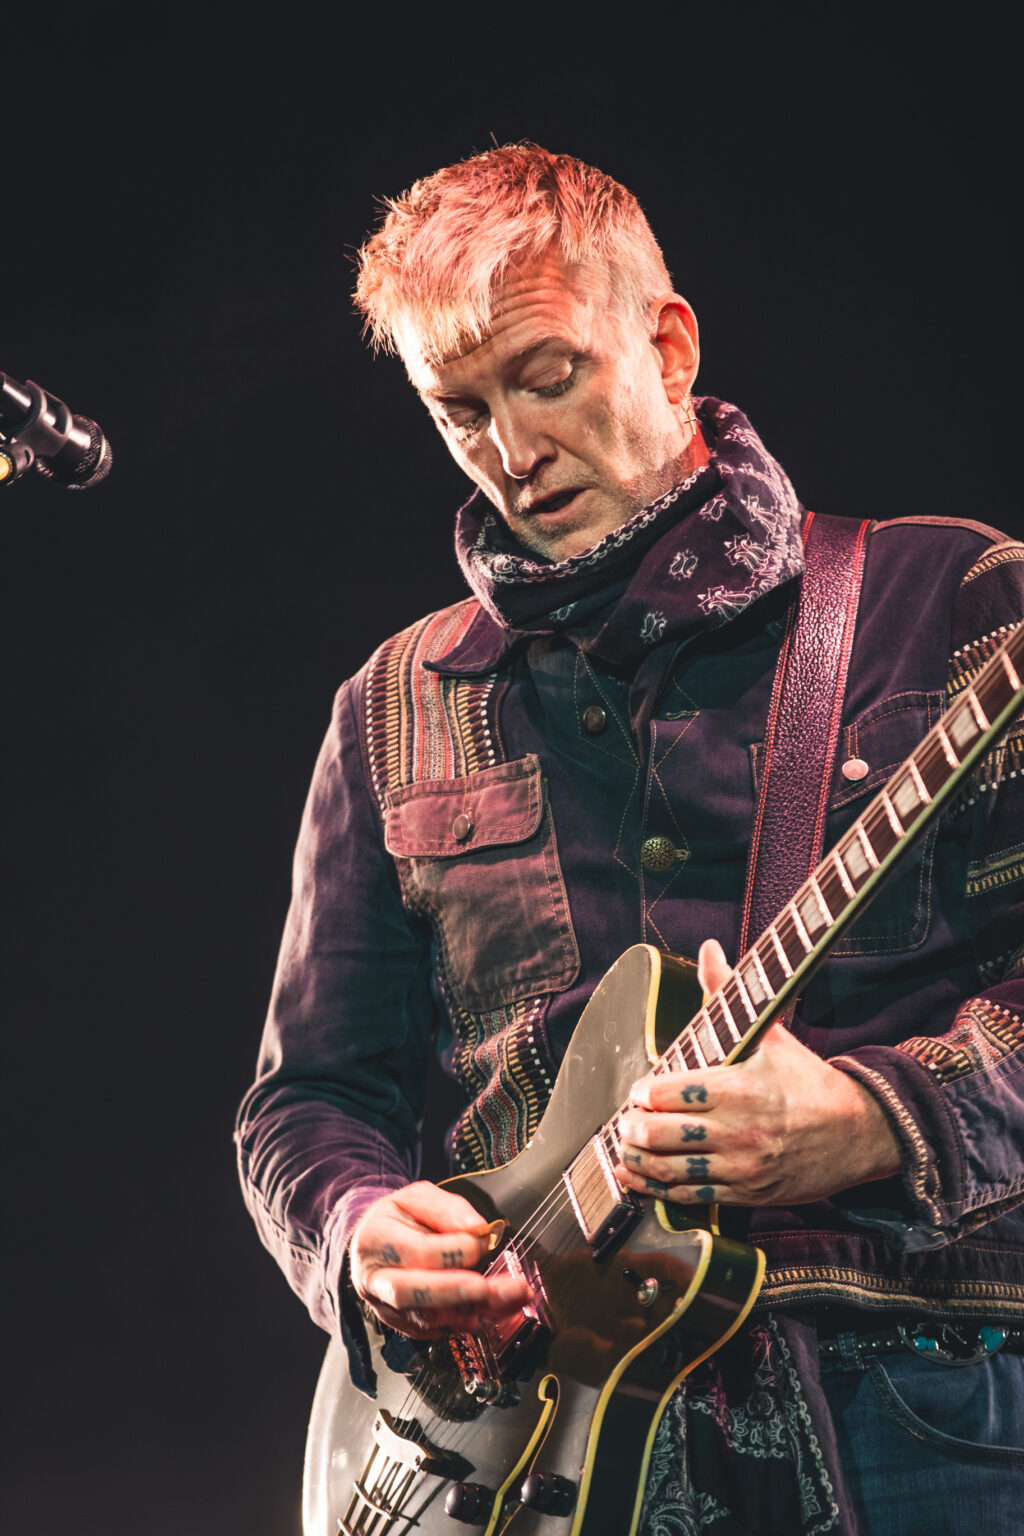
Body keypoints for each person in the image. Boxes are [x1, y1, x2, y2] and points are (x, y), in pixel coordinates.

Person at [236, 145, 1024, 1533]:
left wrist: (877, 1119)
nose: (512, 453)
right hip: (530, 1447)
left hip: (914, 1405)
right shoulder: (396, 706)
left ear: (667, 345)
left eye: (547, 378)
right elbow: (306, 1103)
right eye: (459, 409)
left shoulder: (954, 604)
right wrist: (362, 1234)